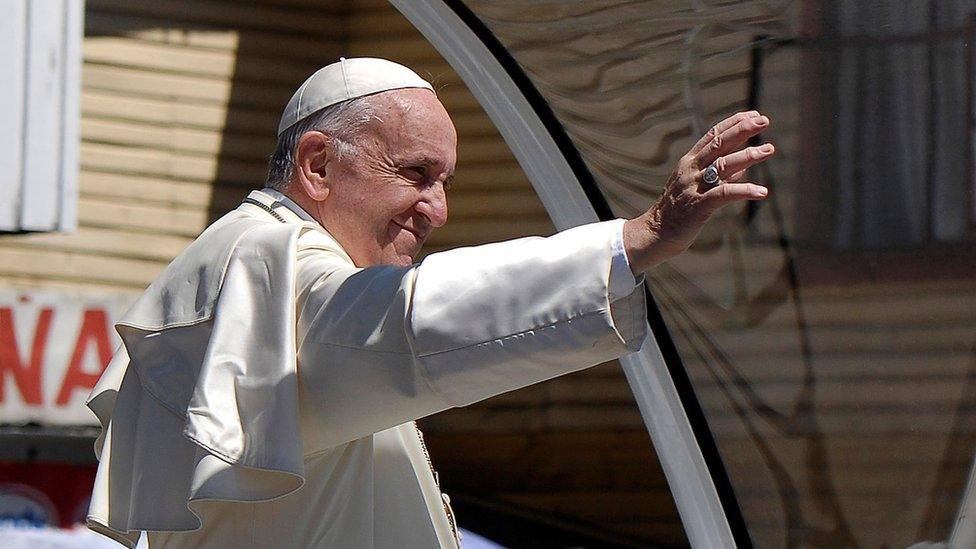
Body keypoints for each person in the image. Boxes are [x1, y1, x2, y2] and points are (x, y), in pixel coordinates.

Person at [85, 57, 774, 548]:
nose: (438, 209)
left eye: (443, 181)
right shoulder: (265, 258)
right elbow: (401, 324)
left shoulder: (273, 259)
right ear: (318, 165)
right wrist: (636, 239)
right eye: (416, 173)